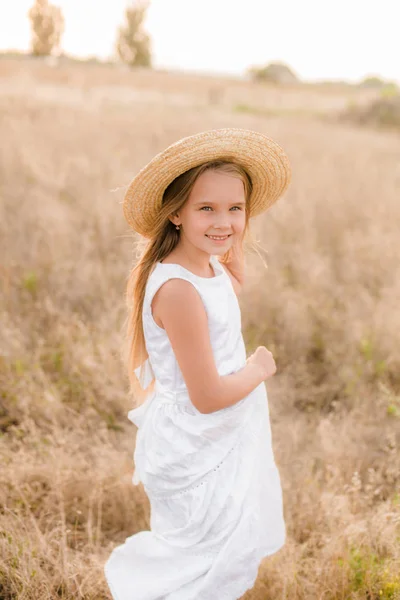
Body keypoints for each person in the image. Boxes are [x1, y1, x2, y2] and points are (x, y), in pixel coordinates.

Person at [104, 128, 292, 600]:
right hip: (197, 446)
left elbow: (227, 288)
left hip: (220, 439)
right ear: (175, 214)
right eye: (206, 208)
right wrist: (258, 370)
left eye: (236, 208)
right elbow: (206, 397)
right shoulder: (179, 290)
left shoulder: (209, 268)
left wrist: (225, 239)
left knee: (217, 559)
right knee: (195, 569)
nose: (223, 220)